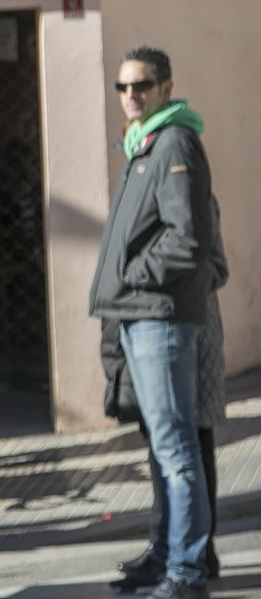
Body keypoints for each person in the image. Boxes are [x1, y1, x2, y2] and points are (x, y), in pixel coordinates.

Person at [90, 46, 215, 599]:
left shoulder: (175, 142)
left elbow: (188, 238)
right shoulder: (144, 144)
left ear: (166, 87)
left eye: (141, 85)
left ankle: (186, 572)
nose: (131, 95)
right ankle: (167, 555)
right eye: (123, 87)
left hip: (159, 317)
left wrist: (133, 274)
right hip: (138, 315)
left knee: (176, 447)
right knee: (162, 449)